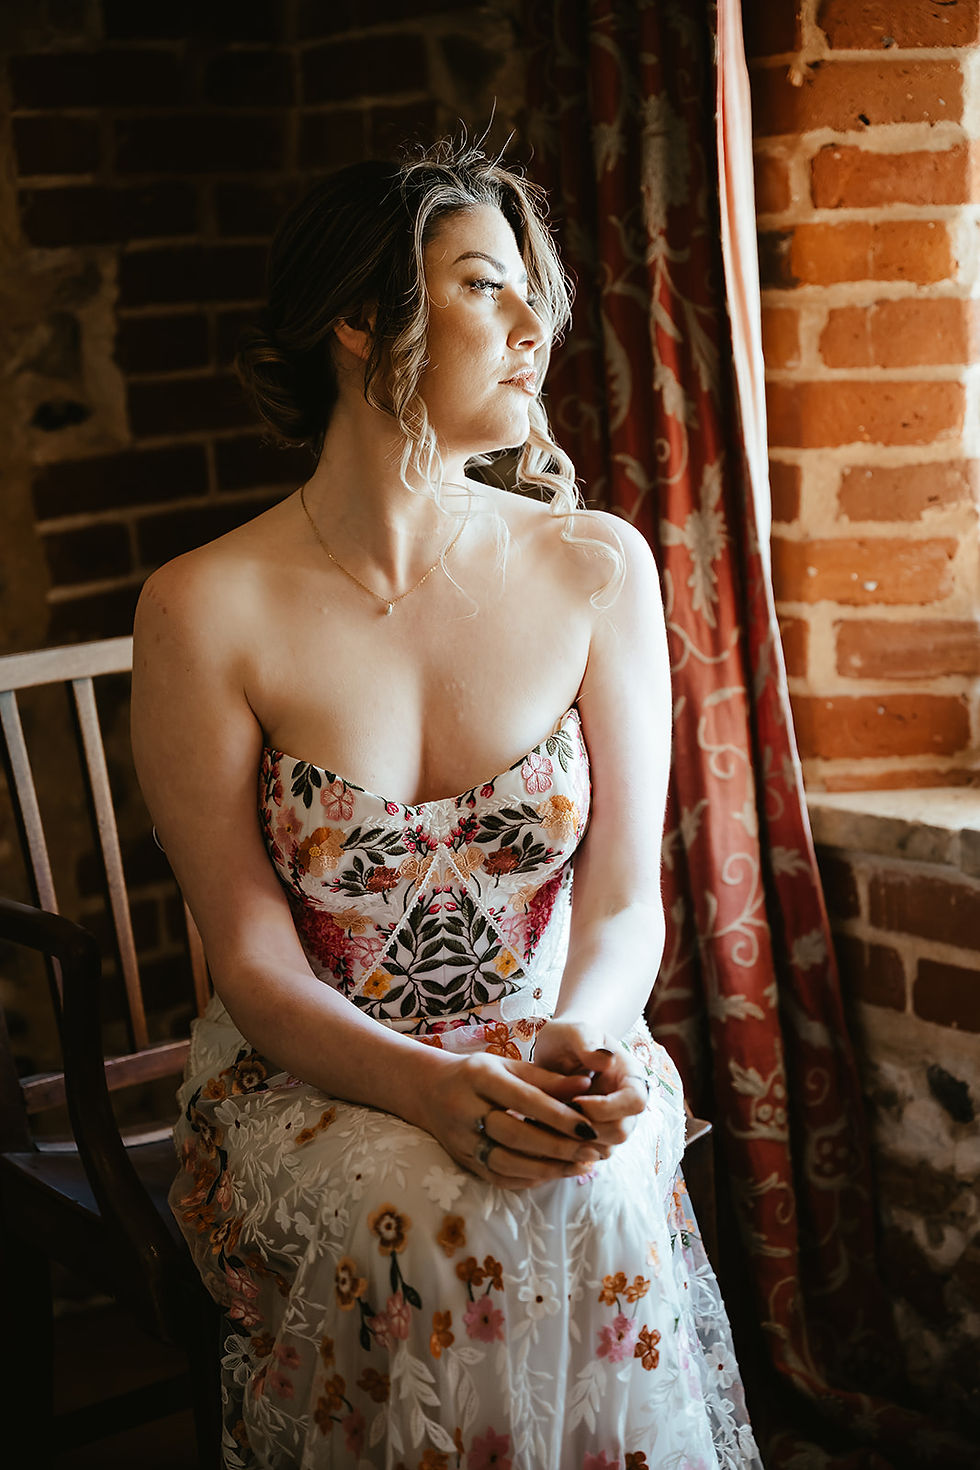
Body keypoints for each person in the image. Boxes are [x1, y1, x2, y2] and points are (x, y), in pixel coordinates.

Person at [131, 139, 761, 1470]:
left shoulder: (597, 569)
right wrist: (431, 1088)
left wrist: (575, 1047)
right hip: (312, 1067)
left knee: (585, 1192)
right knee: (433, 1224)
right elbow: (250, 959)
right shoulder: (202, 608)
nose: (536, 327)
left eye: (535, 292)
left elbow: (624, 903)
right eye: (485, 285)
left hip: (553, 1040)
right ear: (361, 319)